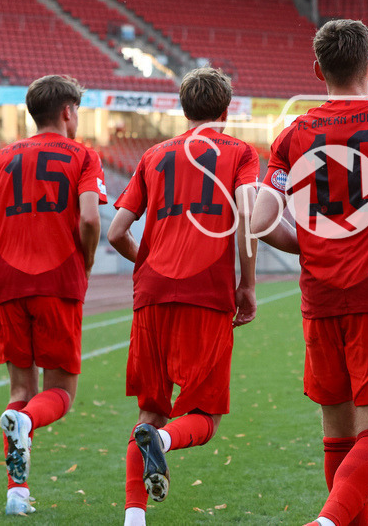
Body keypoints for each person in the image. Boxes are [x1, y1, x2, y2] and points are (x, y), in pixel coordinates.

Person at [250, 19, 368, 526]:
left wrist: (308, 247)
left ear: (317, 70)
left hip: (320, 298)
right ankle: (327, 522)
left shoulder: (292, 133)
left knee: (339, 436)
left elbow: (261, 221)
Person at [107, 68, 260, 526]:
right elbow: (249, 218)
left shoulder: (153, 155)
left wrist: (148, 264)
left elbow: (116, 232)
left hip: (151, 294)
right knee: (204, 416)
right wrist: (247, 286)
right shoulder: (240, 152)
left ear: (183, 108)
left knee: (150, 412)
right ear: (226, 110)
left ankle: (135, 519)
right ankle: (167, 443)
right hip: (205, 294)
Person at [0, 74, 106, 515]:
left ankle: (16, 494)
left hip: (10, 286)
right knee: (59, 393)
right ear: (67, 111)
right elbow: (91, 221)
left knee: (21, 387)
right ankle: (25, 422)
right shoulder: (83, 156)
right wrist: (88, 262)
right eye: (77, 110)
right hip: (58, 282)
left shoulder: (0, 158)